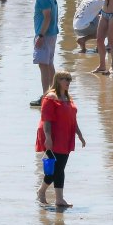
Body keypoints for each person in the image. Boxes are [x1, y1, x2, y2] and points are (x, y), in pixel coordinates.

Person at [35, 71, 86, 207]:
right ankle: (46, 193)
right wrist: (48, 138)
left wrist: (80, 135)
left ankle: (55, 197)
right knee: (55, 168)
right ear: (57, 80)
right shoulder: (51, 97)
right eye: (64, 79)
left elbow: (73, 120)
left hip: (66, 135)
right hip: (53, 135)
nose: (68, 82)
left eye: (69, 79)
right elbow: (46, 119)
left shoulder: (68, 98)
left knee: (60, 167)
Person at [31, 0, 58, 104]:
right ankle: (53, 93)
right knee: (49, 64)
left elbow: (47, 17)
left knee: (43, 65)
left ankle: (45, 97)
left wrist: (41, 35)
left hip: (45, 35)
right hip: (52, 33)